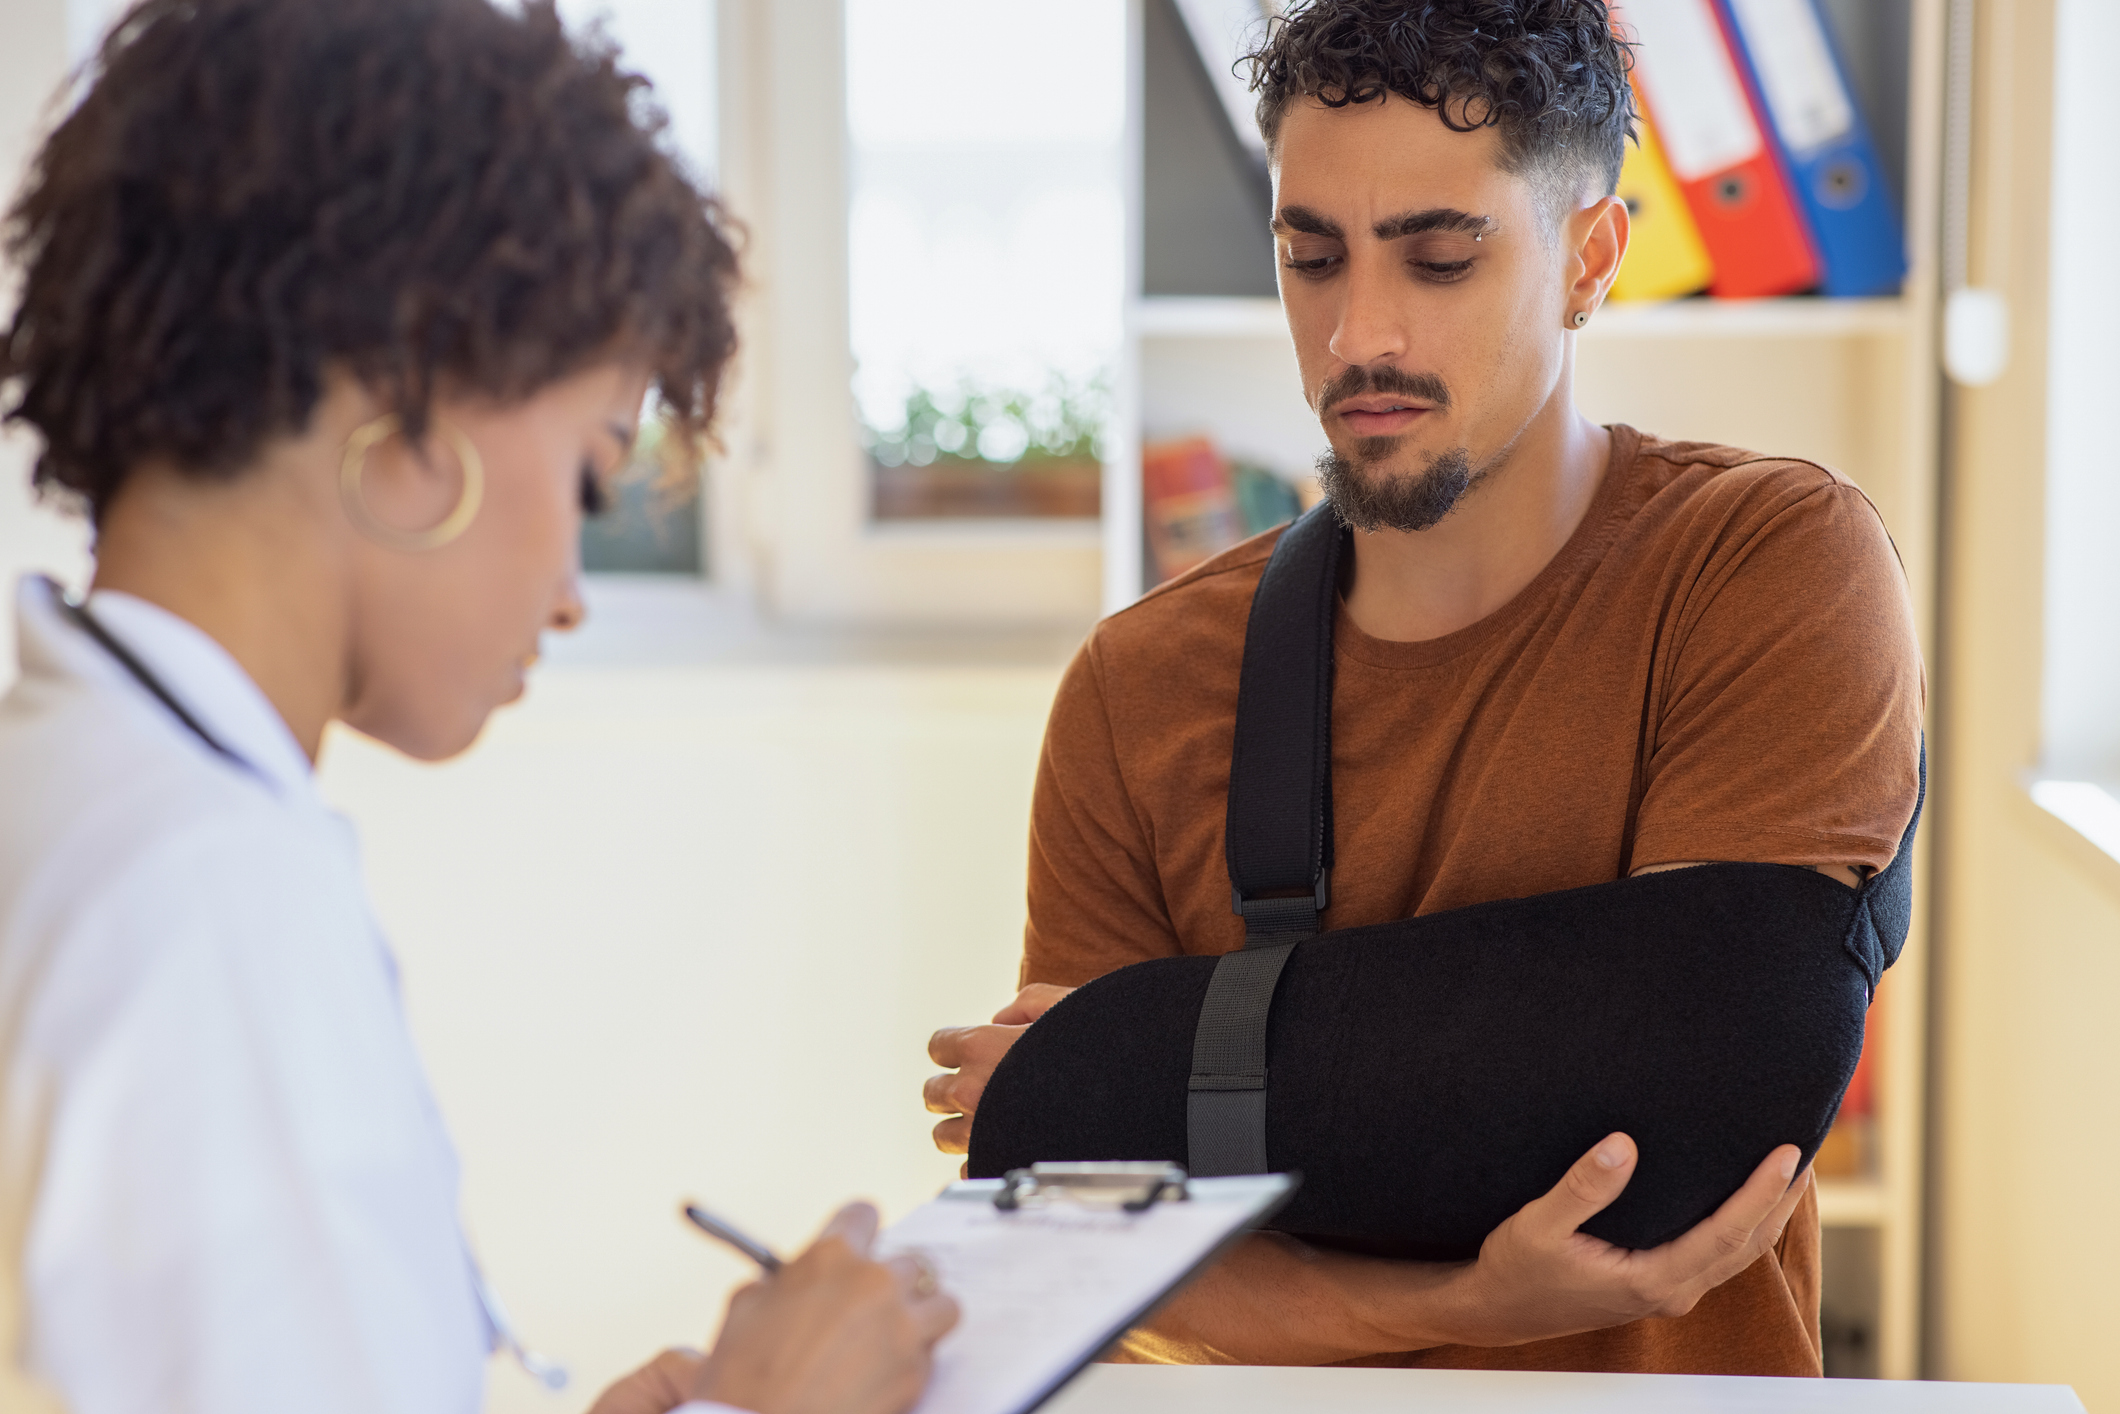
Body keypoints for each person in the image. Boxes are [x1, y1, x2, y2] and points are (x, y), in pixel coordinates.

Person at [924, 0, 1921, 1377]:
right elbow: (1084, 1235)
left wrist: (1142, 1067)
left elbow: (1715, 1061)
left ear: (1590, 257)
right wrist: (1459, 1307)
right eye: (1311, 257)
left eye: (1440, 258)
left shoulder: (1765, 563)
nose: (1356, 334)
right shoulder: (1135, 690)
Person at [0, 1, 956, 1411]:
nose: (571, 591)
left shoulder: (84, 786)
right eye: (583, 477)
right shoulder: (205, 899)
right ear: (411, 393)